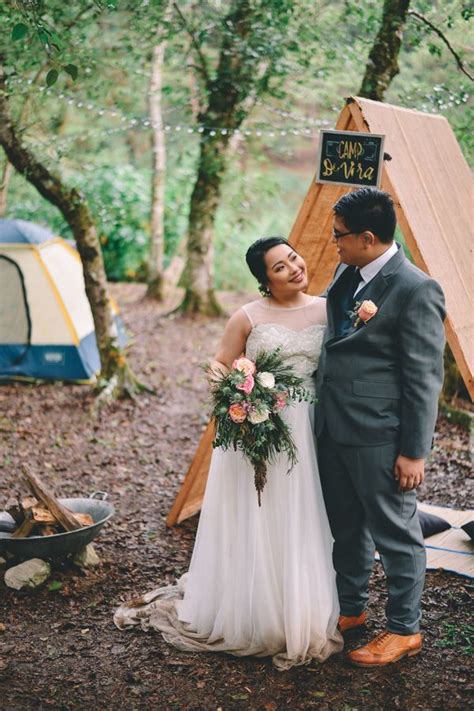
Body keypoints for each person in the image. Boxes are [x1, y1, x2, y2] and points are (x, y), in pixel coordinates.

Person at [115, 236, 343, 670]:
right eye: (280, 267)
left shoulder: (326, 308)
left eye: (293, 258)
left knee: (300, 513)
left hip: (308, 428)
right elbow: (219, 363)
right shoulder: (248, 317)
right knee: (257, 513)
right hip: (257, 427)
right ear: (264, 280)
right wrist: (239, 390)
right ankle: (253, 612)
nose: (294, 268)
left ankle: (299, 609)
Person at [315, 187, 446, 667]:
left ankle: (404, 629)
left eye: (340, 236)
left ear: (368, 237)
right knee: (345, 527)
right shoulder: (345, 272)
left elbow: (424, 376)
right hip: (332, 426)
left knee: (396, 533)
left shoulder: (416, 288)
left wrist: (414, 451)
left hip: (380, 434)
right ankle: (351, 610)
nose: (335, 243)